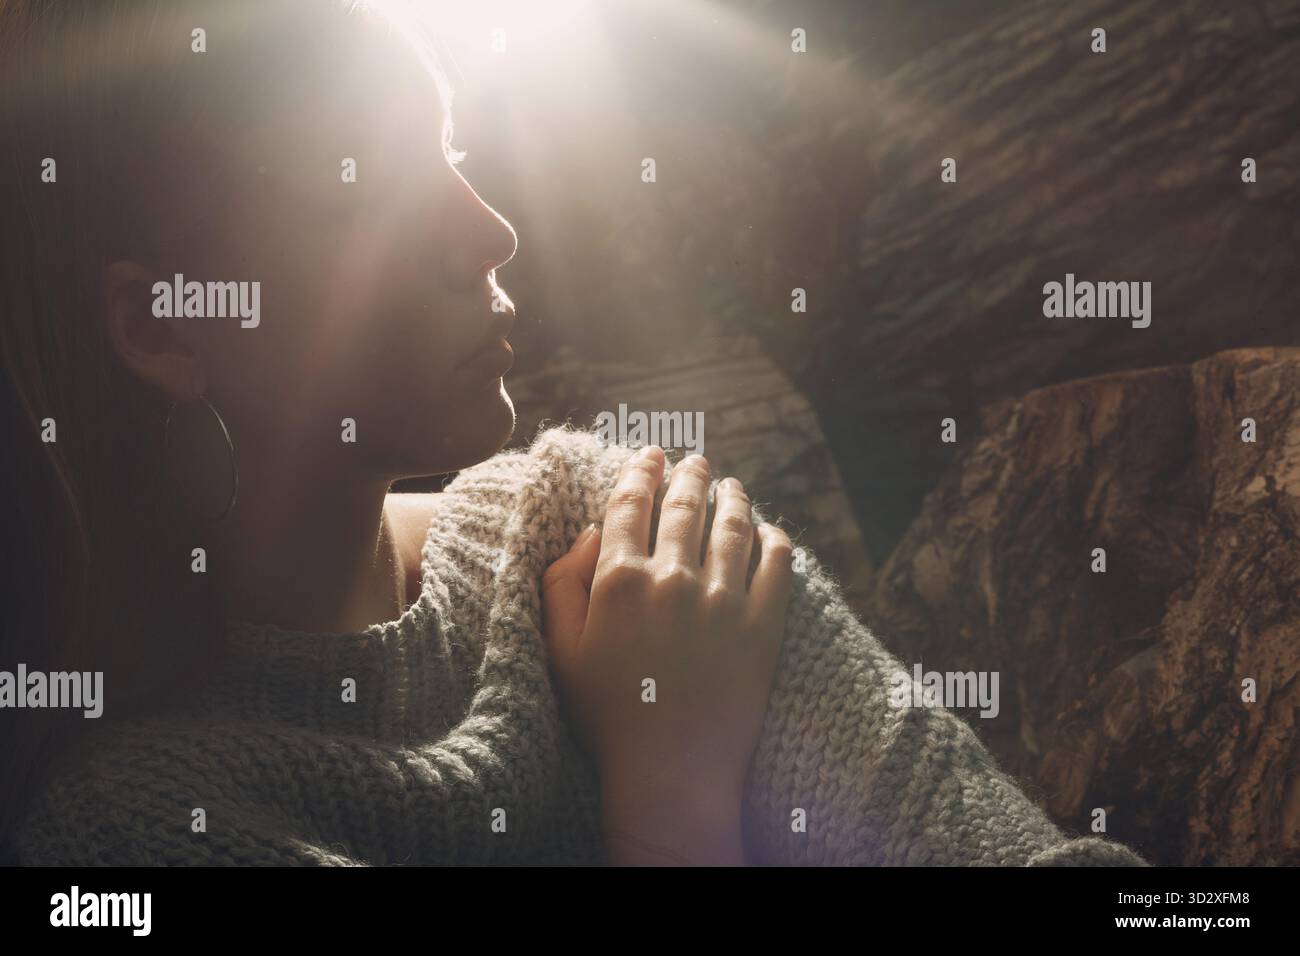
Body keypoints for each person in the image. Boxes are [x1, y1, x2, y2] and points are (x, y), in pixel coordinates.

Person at [0, 0, 1144, 866]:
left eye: (451, 152)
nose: (488, 232)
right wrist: (673, 790)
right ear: (164, 322)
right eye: (366, 184)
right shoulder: (121, 835)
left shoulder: (615, 537)